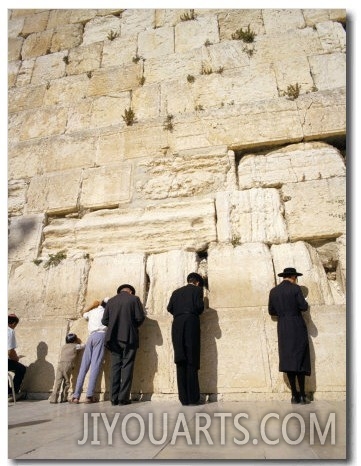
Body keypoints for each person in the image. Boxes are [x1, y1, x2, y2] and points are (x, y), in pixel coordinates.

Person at [268, 267, 311, 404]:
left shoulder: (274, 291)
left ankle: (294, 395)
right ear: (293, 276)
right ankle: (303, 395)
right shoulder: (295, 289)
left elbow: (271, 311)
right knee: (300, 359)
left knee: (288, 360)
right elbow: (303, 307)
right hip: (297, 325)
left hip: (283, 327)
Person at [101, 284, 145, 406]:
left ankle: (113, 398)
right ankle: (123, 398)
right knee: (127, 366)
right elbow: (140, 318)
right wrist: (131, 326)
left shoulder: (111, 301)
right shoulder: (134, 299)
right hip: (129, 337)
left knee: (115, 367)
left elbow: (104, 321)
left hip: (113, 339)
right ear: (130, 291)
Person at [167, 272, 205, 406]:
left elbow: (169, 308)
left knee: (180, 359)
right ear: (198, 282)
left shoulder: (176, 292)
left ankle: (183, 398)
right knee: (192, 359)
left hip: (177, 324)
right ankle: (193, 398)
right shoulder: (197, 290)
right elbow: (200, 307)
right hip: (191, 323)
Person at [70, 298, 109, 404]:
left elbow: (83, 313)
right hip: (101, 335)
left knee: (84, 366)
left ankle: (76, 396)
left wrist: (93, 304)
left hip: (91, 337)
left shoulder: (93, 311)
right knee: (95, 365)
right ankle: (89, 395)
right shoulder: (107, 312)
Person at [49, 333, 85, 403]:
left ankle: (53, 399)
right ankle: (63, 398)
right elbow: (83, 346)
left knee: (57, 382)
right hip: (67, 365)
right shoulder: (75, 346)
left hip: (60, 364)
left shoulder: (64, 346)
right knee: (67, 382)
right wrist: (80, 342)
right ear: (75, 340)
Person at [8, 313, 27, 401]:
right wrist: (16, 358)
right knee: (21, 368)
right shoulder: (10, 331)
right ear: (14, 324)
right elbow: (10, 351)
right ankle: (12, 393)